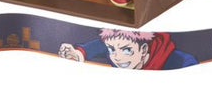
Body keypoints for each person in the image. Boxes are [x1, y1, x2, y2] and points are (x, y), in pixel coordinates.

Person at [58, 29, 198, 70]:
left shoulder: (177, 60)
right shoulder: (114, 47)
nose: (117, 57)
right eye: (112, 50)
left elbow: (188, 63)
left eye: (127, 51)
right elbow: (98, 46)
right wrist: (77, 54)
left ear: (143, 49)